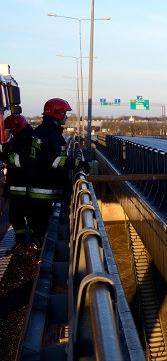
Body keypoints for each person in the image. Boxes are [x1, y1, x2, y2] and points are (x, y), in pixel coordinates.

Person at [27, 98, 87, 249]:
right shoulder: (51, 135)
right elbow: (55, 162)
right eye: (65, 114)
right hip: (45, 188)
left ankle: (38, 247)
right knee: (44, 227)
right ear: (56, 113)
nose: (66, 117)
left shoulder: (42, 131)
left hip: (37, 185)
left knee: (38, 225)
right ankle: (40, 254)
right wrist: (78, 163)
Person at [0, 114, 34, 253]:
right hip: (20, 185)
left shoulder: (26, 140)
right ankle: (24, 241)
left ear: (17, 127)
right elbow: (9, 147)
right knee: (16, 215)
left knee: (21, 214)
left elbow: (20, 161)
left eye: (11, 130)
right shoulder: (22, 137)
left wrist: (3, 156)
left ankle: (28, 242)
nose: (10, 133)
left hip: (22, 184)